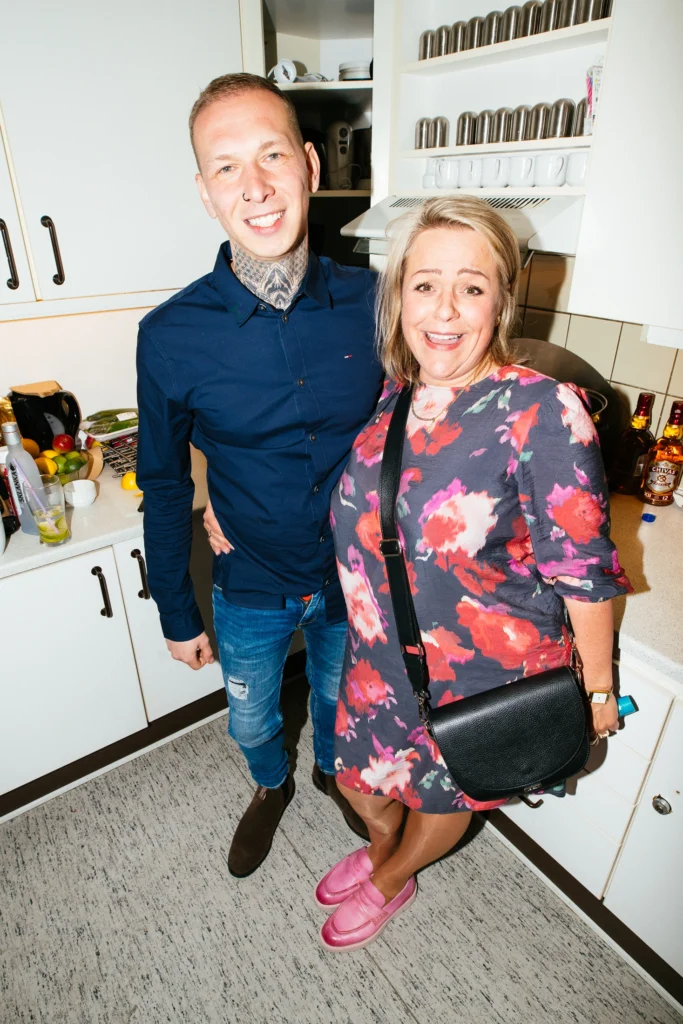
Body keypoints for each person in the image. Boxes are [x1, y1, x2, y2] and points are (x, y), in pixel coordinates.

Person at [314, 195, 632, 952]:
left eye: (471, 286)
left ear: (501, 301)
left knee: (445, 790)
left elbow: (584, 573)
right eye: (425, 284)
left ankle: (392, 876)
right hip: (378, 656)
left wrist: (596, 690)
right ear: (399, 296)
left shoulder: (542, 409)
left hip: (481, 668)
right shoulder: (397, 394)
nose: (445, 309)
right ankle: (384, 847)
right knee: (357, 783)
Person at [136, 73, 383, 879]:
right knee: (248, 721)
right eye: (227, 166)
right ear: (205, 192)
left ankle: (330, 772)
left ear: (309, 164)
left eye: (272, 155)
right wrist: (176, 610)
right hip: (249, 581)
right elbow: (164, 483)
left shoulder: (376, 303)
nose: (256, 186)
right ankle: (271, 783)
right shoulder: (169, 335)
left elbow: (417, 430)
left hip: (353, 576)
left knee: (338, 699)